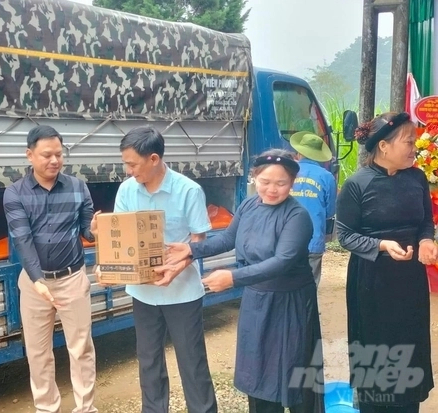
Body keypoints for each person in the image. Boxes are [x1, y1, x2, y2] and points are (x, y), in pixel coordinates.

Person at [164, 149, 325, 413]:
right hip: (256, 300)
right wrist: (192, 250)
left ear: (292, 183)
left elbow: (281, 261)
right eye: (265, 182)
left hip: (289, 304)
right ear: (254, 178)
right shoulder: (249, 205)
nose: (272, 189)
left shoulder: (297, 217)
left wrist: (233, 277)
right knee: (258, 371)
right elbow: (228, 239)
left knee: (294, 374)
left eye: (281, 183)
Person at [92, 126, 218, 413]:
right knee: (148, 361)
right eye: (125, 163)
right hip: (143, 294)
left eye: (132, 164)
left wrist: (177, 267)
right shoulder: (127, 190)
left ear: (153, 159)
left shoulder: (188, 190)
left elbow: (199, 240)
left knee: (192, 362)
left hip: (182, 293)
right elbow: (120, 237)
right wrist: (108, 266)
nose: (128, 170)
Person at [336, 111, 436, 413]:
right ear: (384, 146)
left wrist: (426, 241)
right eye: (408, 142)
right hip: (372, 281)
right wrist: (380, 244)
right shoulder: (357, 184)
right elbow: (344, 235)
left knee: (410, 341)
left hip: (410, 279)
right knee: (376, 347)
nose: (414, 148)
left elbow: (424, 224)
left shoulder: (417, 178)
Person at [3, 125, 98, 413]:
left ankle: (86, 408)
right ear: (29, 155)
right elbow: (22, 239)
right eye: (47, 155)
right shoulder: (14, 193)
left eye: (59, 154)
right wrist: (37, 279)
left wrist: (96, 230)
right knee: (38, 352)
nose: (54, 160)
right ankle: (47, 408)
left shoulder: (78, 187)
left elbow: (87, 232)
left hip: (72, 278)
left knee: (81, 349)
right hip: (34, 284)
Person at [289, 131, 337, 286]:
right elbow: (330, 212)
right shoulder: (327, 176)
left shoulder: (287, 171)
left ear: (299, 152)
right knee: (310, 285)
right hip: (314, 240)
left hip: (286, 240)